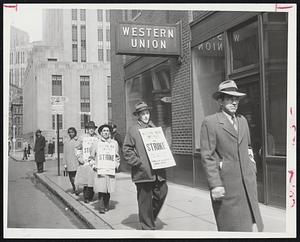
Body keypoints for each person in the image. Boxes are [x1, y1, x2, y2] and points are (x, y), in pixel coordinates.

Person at [200, 80, 264, 232]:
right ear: (220, 101)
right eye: (229, 98)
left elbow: (248, 147)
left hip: (246, 186)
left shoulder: (242, 121)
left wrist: (252, 168)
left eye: (236, 99)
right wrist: (215, 184)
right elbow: (207, 156)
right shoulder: (211, 122)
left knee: (247, 228)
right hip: (226, 187)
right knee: (230, 228)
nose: (234, 102)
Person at [123, 101, 168, 230]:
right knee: (145, 200)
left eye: (147, 112)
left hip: (158, 172)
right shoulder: (133, 130)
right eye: (143, 114)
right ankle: (147, 227)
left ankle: (148, 217)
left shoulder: (155, 128)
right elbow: (127, 149)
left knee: (162, 192)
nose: (146, 116)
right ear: (138, 115)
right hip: (143, 172)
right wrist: (138, 162)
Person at [90, 124, 120, 214]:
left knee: (108, 189)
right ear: (100, 133)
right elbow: (91, 157)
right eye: (104, 131)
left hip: (110, 169)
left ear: (110, 132)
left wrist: (116, 165)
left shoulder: (114, 143)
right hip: (100, 170)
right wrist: (94, 166)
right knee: (101, 189)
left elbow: (117, 157)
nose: (106, 132)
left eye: (107, 131)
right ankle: (101, 207)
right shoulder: (96, 143)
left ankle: (106, 204)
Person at [74, 121, 98, 203]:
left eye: (93, 128)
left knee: (92, 180)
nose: (91, 130)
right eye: (90, 128)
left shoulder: (97, 137)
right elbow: (77, 148)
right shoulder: (82, 137)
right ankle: (86, 197)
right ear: (87, 129)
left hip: (94, 162)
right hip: (85, 161)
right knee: (86, 180)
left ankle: (90, 195)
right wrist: (80, 158)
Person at [63, 127, 80, 195]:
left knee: (76, 176)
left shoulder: (78, 141)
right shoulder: (66, 142)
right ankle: (74, 187)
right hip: (69, 161)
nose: (71, 133)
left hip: (76, 161)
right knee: (71, 176)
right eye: (69, 132)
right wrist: (64, 163)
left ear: (75, 132)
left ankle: (76, 188)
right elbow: (64, 153)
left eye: (72, 132)